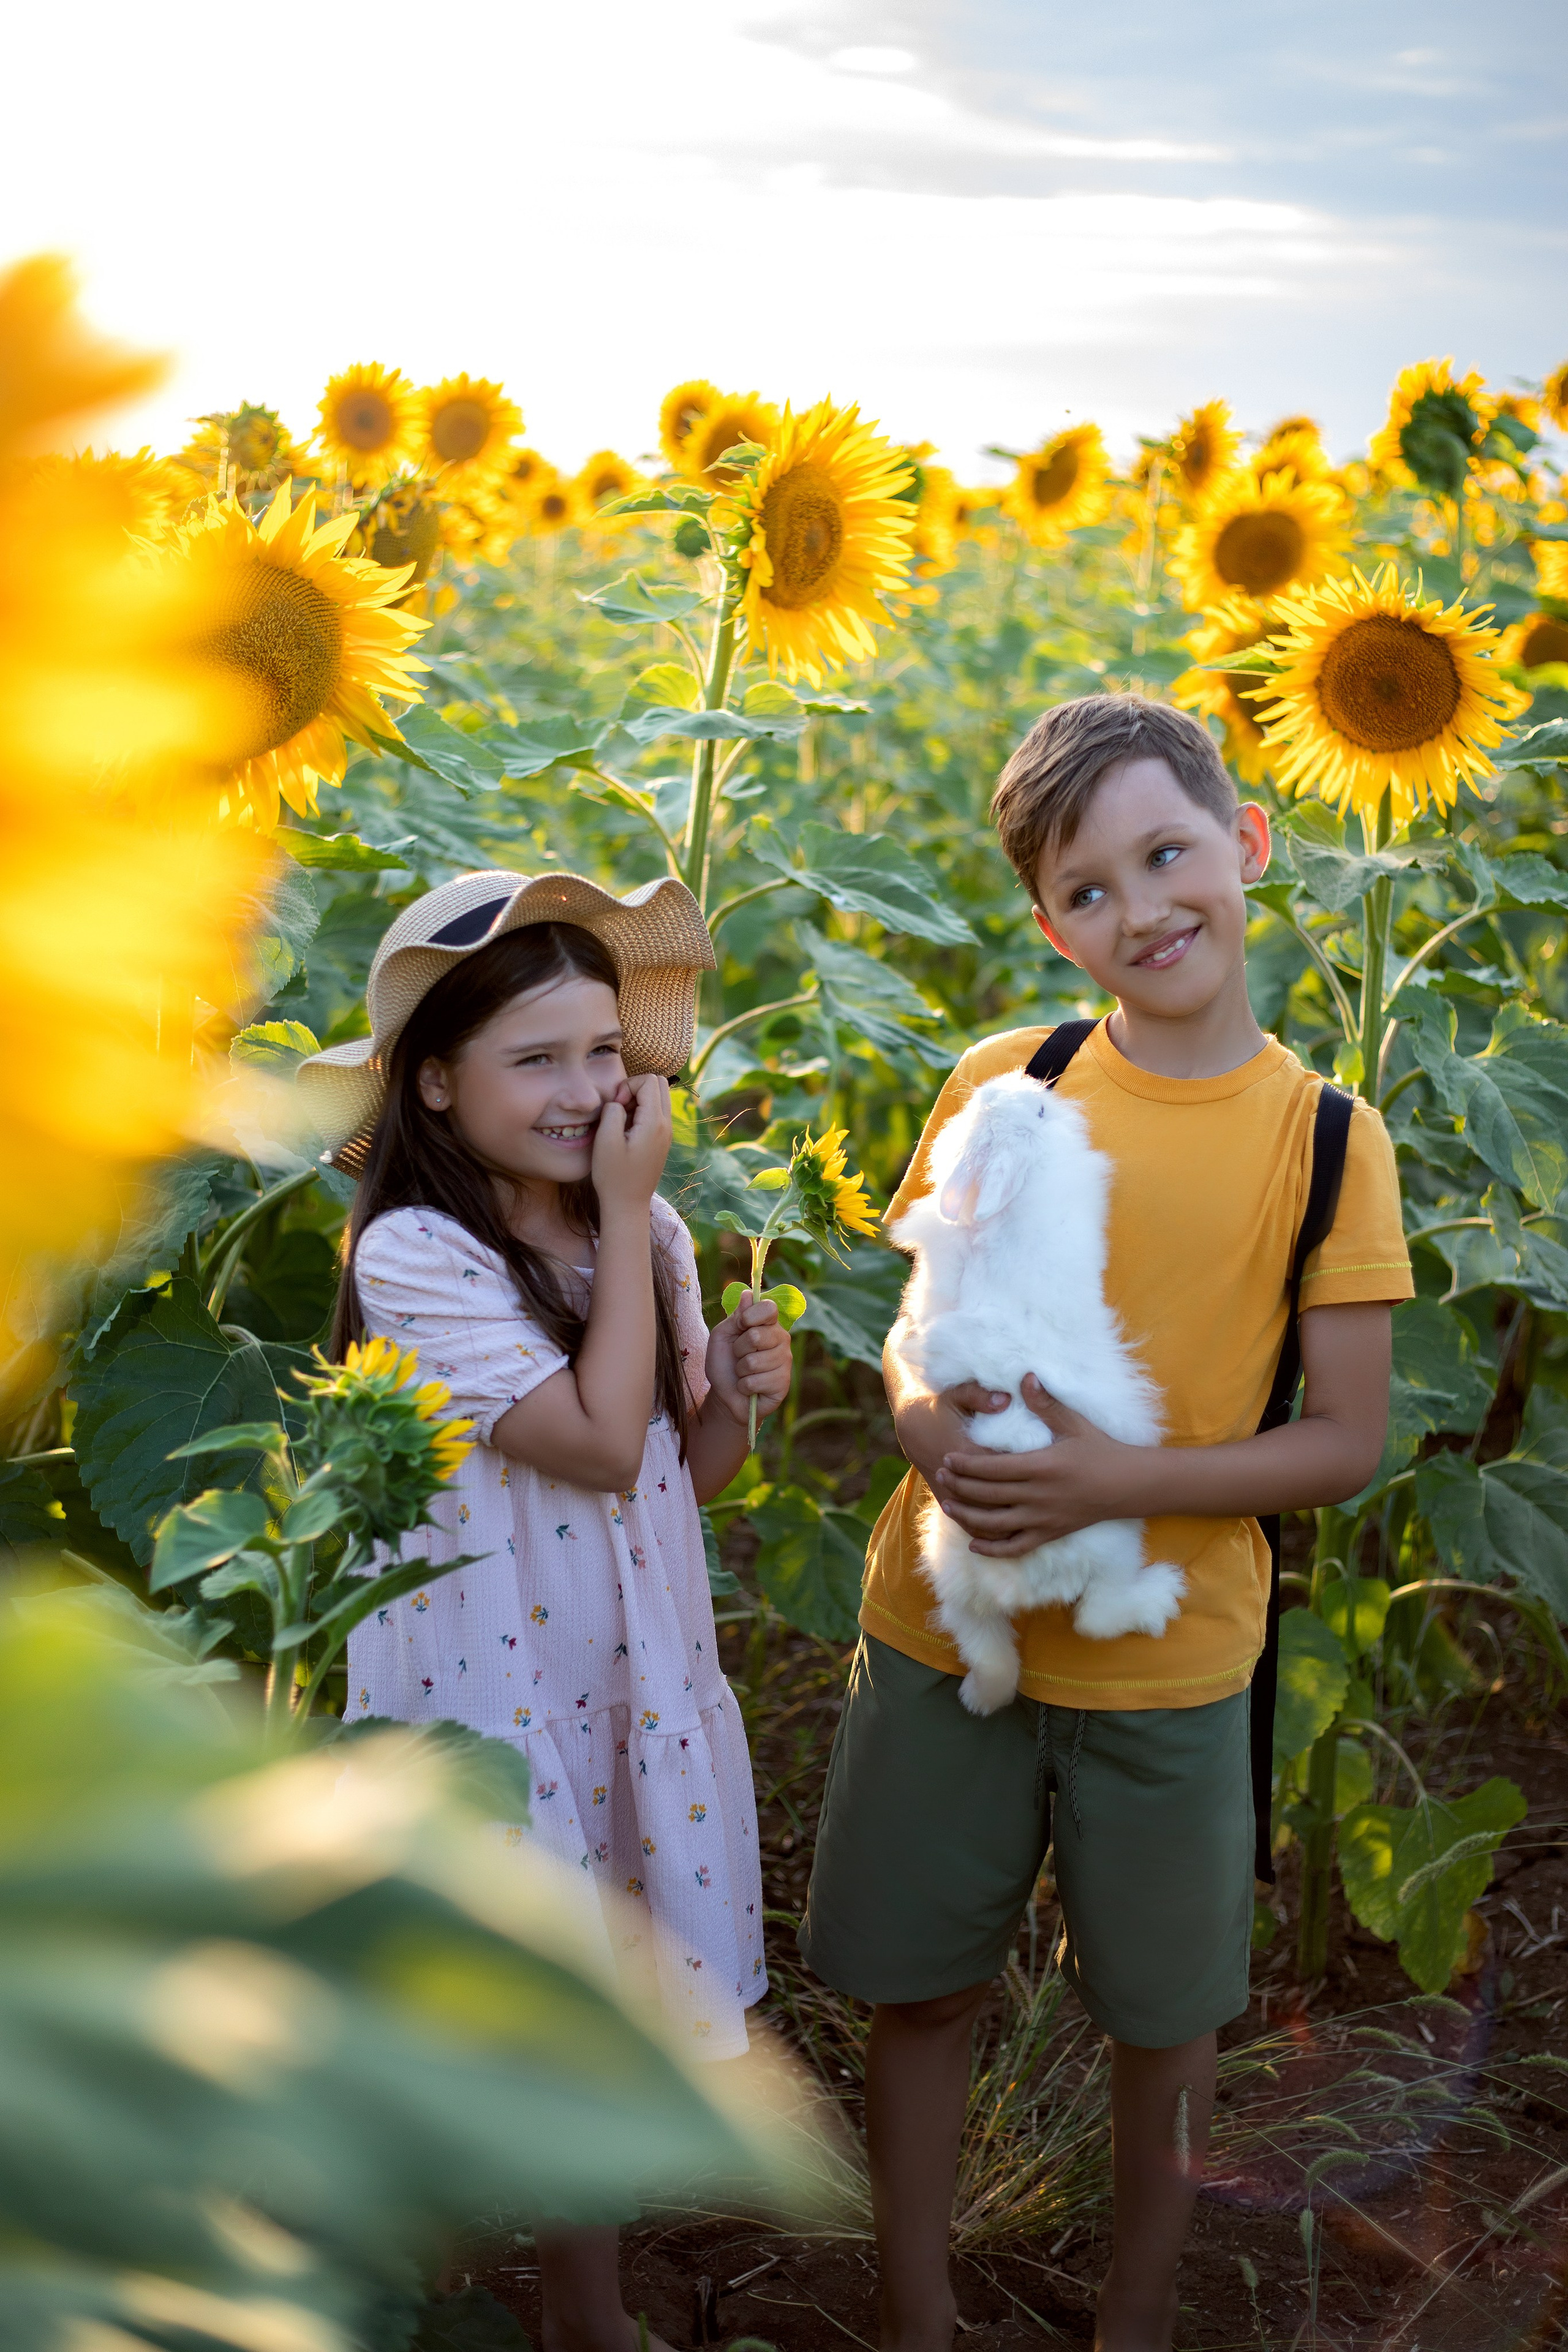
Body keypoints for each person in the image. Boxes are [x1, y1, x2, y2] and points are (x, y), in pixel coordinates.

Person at [798, 697, 1413, 2352]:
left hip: (1172, 1659)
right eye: (1088, 890)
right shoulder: (1011, 1078)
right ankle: (915, 2312)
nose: (1141, 911)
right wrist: (922, 1426)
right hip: (947, 1624)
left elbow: (1343, 1443)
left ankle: (1133, 2322)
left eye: (1168, 855)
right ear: (1047, 922)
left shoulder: (1330, 1142)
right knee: (919, 1988)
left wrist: (1111, 1483)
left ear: (1247, 848)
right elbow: (917, 1320)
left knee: (1165, 2022)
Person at [298, 869, 793, 2352]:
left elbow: (671, 1473)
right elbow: (582, 1436)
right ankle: (433, 2277)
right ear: (436, 1085)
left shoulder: (648, 1237)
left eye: (602, 1052)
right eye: (537, 1060)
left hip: (626, 1673)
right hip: (484, 1693)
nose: (585, 1090)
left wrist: (748, 1404)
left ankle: (585, 2305)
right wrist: (635, 1218)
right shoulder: (411, 1256)